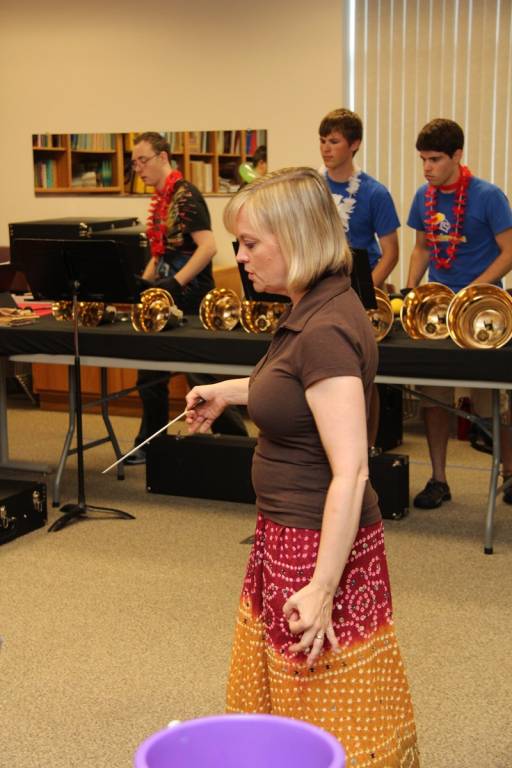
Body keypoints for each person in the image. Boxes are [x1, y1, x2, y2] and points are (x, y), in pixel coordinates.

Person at [185, 167, 419, 765]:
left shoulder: (324, 328)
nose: (240, 257)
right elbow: (295, 389)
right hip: (293, 531)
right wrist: (228, 392)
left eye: (250, 243)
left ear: (296, 239)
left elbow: (352, 470)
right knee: (295, 700)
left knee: (324, 708)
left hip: (315, 542)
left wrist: (321, 586)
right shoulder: (316, 305)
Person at [406, 118, 512, 508]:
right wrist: (412, 288)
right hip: (438, 310)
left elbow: (509, 252)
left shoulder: (489, 196)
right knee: (435, 399)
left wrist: (473, 290)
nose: (427, 167)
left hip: (482, 312)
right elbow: (422, 247)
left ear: (457, 155)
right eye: (423, 159)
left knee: (493, 403)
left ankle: (509, 473)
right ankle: (438, 479)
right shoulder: (424, 196)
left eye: (435, 159)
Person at [125, 132, 246, 464]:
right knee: (150, 375)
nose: (138, 168)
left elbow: (208, 247)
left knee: (200, 378)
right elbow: (161, 252)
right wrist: (145, 286)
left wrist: (174, 284)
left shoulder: (186, 196)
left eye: (143, 160)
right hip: (167, 301)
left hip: (192, 300)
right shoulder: (161, 200)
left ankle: (238, 444)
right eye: (134, 163)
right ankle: (150, 442)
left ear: (163, 157)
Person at [319, 107, 400, 446]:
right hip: (320, 292)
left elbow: (391, 252)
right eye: (322, 140)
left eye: (334, 141)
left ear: (354, 145)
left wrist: (364, 292)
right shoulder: (312, 189)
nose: (326, 148)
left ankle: (367, 448)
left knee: (361, 376)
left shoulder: (374, 193)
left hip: (359, 296)